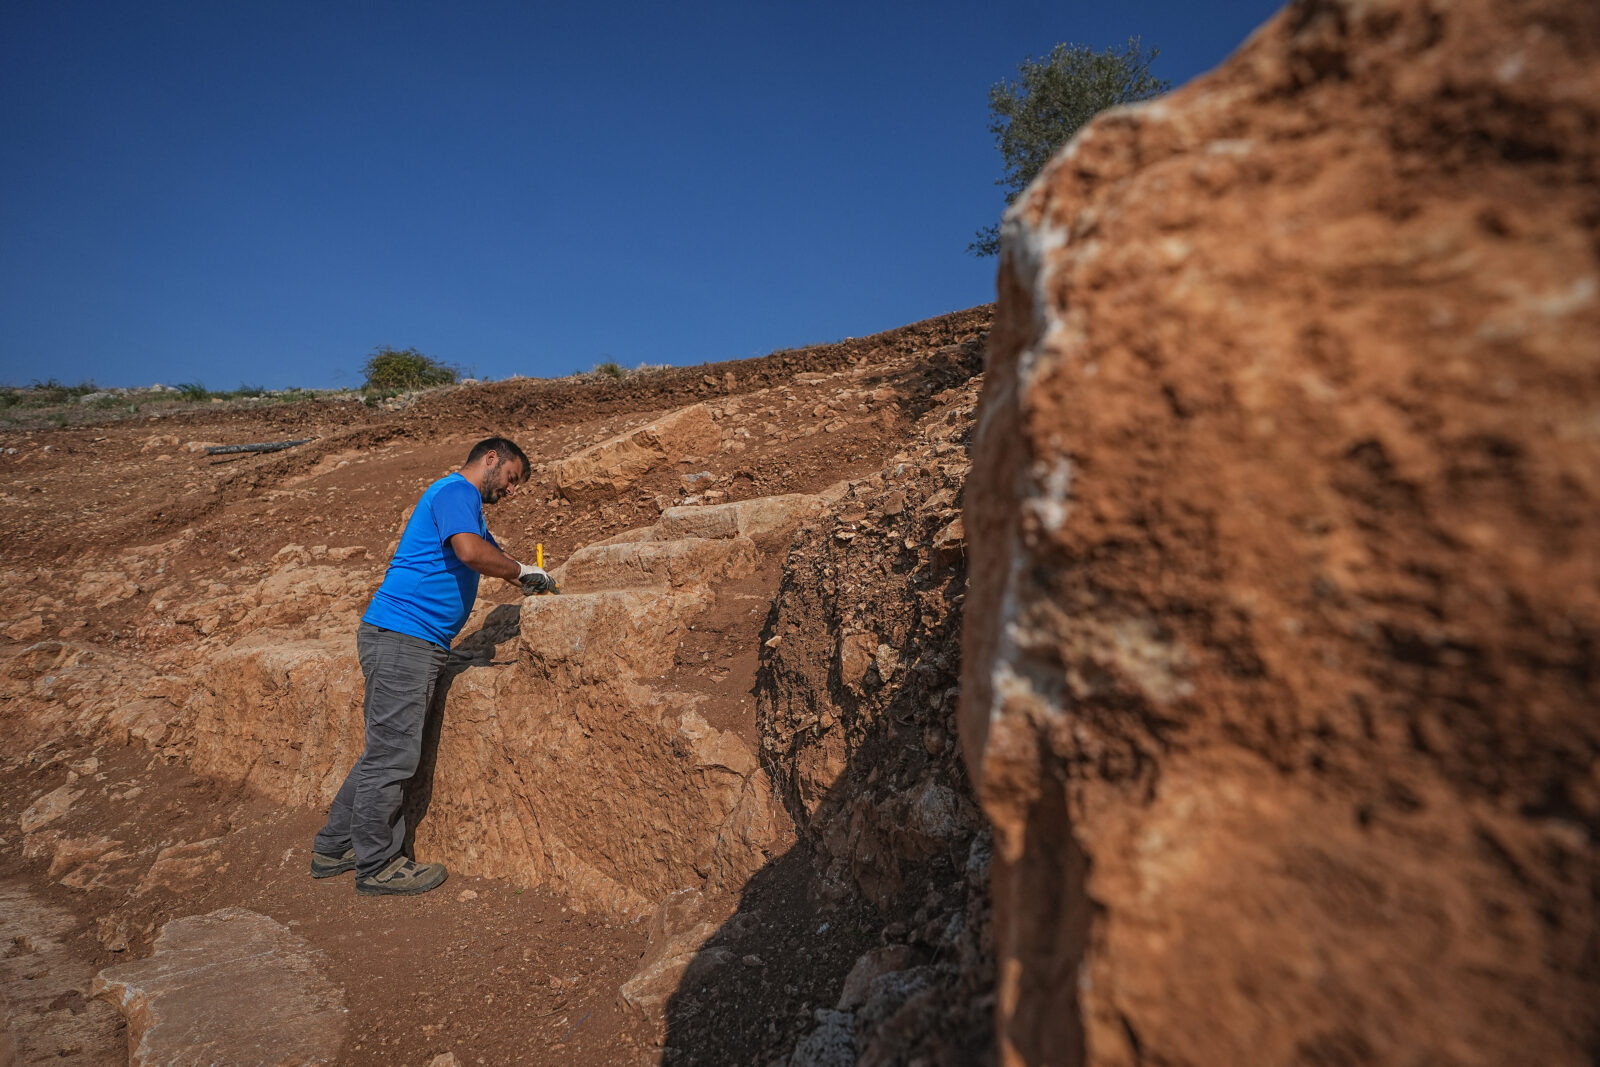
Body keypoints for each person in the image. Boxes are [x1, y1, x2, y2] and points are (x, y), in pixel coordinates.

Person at [308, 436, 553, 895]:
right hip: (405, 638)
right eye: (512, 479)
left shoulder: (466, 507)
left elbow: (490, 554)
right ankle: (378, 866)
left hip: (410, 639)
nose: (512, 490)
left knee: (383, 752)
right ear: (492, 459)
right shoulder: (455, 492)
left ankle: (335, 846)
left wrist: (524, 573)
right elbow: (471, 554)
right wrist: (522, 572)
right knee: (394, 756)